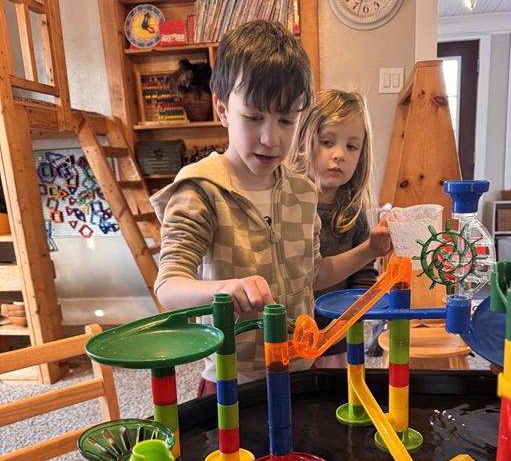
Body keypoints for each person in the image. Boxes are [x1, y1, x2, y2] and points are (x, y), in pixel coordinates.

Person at [150, 20, 391, 395]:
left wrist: (368, 251)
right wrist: (226, 289)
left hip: (301, 370)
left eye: (286, 120)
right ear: (222, 109)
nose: (271, 138)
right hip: (232, 381)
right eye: (254, 117)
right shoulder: (200, 189)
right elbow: (169, 286)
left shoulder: (303, 192)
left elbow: (312, 275)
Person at [290, 89, 380, 368]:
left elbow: (363, 277)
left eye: (351, 147)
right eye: (327, 142)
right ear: (303, 141)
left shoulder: (354, 215)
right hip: (288, 337)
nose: (339, 154)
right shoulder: (286, 206)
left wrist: (349, 321)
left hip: (336, 341)